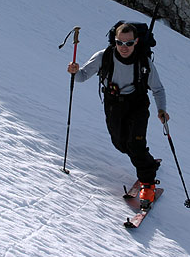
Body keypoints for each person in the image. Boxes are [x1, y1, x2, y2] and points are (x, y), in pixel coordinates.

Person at [68, 22, 170, 209]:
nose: (124, 47)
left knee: (135, 144)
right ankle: (148, 163)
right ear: (114, 41)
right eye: (120, 43)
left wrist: (161, 109)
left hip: (137, 105)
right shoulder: (103, 57)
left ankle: (147, 184)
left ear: (136, 42)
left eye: (129, 43)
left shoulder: (143, 62)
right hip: (113, 105)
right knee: (121, 144)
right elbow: (82, 76)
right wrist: (74, 71)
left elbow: (158, 89)